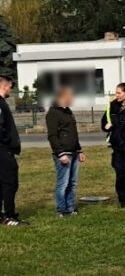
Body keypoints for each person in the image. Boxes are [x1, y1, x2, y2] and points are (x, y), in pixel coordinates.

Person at [46, 86, 86, 217]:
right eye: (71, 95)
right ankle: (61, 209)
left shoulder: (68, 111)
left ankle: (71, 208)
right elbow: (52, 135)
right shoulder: (53, 113)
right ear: (63, 96)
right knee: (63, 183)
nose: (73, 98)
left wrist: (79, 150)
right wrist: (60, 153)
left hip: (73, 152)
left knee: (72, 183)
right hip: (63, 153)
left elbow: (73, 134)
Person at [0, 76, 26, 226]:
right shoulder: (0, 104)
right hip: (3, 150)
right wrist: (9, 144)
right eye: (10, 87)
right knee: (10, 182)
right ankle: (9, 216)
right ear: (4, 87)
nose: (11, 89)